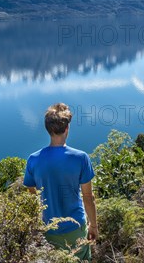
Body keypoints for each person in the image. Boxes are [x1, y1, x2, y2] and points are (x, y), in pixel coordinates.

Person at [23, 103, 98, 261]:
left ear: (48, 129)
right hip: (76, 227)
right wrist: (94, 226)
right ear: (67, 128)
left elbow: (33, 198)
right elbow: (88, 198)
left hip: (49, 230)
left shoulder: (33, 160)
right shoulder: (81, 158)